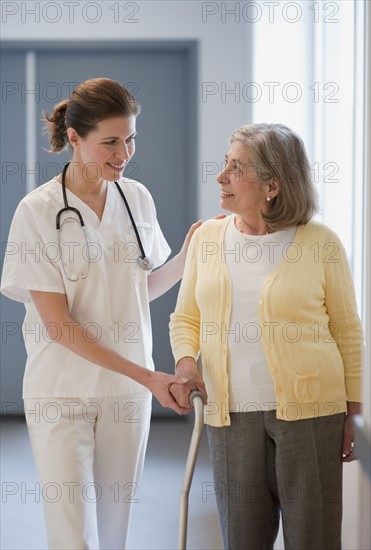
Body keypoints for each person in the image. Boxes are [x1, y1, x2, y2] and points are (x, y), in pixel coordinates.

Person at [0, 77, 203, 549]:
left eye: (130, 138)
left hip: (125, 395)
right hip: (62, 393)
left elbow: (135, 290)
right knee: (73, 535)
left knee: (115, 532)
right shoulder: (38, 211)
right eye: (110, 141)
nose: (124, 152)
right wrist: (149, 376)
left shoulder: (137, 199)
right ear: (75, 138)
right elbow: (59, 325)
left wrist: (185, 259)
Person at [169, 123, 363, 550]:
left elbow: (347, 331)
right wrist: (186, 362)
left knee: (314, 539)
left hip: (312, 415)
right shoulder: (207, 239)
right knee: (242, 540)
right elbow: (186, 317)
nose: (221, 176)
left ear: (272, 185)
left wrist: (354, 411)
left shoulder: (321, 243)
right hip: (230, 415)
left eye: (236, 168)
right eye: (225, 163)